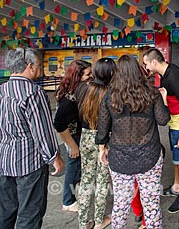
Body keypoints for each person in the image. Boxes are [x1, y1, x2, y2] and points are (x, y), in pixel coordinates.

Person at [0, 48, 64, 228]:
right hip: (30, 163)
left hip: (4, 161)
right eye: (38, 65)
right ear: (29, 66)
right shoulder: (33, 92)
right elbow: (42, 131)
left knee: (6, 210)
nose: (40, 69)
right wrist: (54, 157)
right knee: (30, 214)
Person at [96, 55, 170, 228]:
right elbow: (163, 120)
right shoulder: (152, 93)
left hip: (119, 158)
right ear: (138, 71)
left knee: (120, 205)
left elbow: (102, 128)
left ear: (118, 73)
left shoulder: (110, 97)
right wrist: (164, 99)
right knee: (151, 205)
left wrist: (102, 149)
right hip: (149, 156)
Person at [142, 48, 179, 213]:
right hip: (175, 121)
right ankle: (176, 186)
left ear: (154, 62)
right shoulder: (165, 74)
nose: (146, 67)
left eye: (146, 64)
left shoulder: (173, 77)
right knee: (176, 157)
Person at [75, 58, 116, 229]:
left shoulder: (82, 89)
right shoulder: (111, 92)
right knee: (102, 181)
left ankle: (84, 223)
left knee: (86, 179)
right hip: (104, 139)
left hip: (85, 137)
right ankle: (99, 221)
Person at [54, 60, 93, 212]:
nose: (91, 76)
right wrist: (72, 145)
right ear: (78, 76)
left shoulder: (75, 89)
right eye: (87, 74)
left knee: (77, 167)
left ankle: (73, 197)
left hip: (75, 135)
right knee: (73, 167)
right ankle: (68, 201)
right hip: (72, 137)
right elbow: (58, 124)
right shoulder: (69, 99)